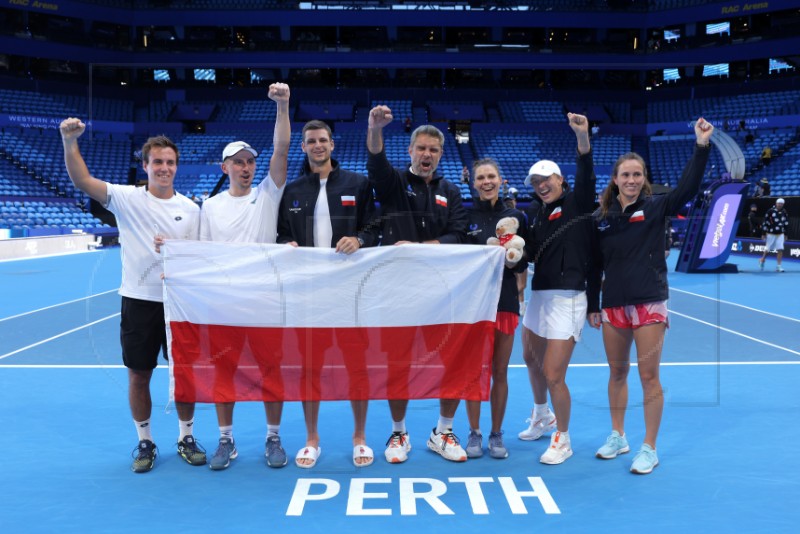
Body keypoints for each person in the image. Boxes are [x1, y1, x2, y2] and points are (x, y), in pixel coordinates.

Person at [60, 120, 204, 473]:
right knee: (139, 375)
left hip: (180, 302)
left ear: (177, 166)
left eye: (170, 162)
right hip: (139, 300)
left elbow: (202, 255)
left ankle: (186, 437)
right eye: (157, 162)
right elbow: (82, 181)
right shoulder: (125, 198)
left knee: (184, 374)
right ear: (145, 166)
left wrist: (180, 249)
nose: (164, 168)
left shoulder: (192, 209)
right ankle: (145, 441)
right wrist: (68, 141)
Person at [592, 117, 714, 474]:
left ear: (643, 178)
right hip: (613, 304)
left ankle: (649, 447)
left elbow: (688, 187)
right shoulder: (601, 218)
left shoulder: (658, 205)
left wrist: (701, 145)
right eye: (625, 175)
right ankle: (618, 436)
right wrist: (592, 305)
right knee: (616, 372)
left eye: (637, 174)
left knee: (648, 376)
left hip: (648, 303)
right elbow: (593, 266)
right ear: (615, 179)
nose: (631, 180)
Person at [366, 104, 468, 463]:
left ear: (441, 154)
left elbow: (459, 234)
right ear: (410, 151)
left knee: (451, 361)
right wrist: (375, 128)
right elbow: (376, 164)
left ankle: (443, 431)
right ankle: (398, 433)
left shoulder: (450, 191)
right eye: (421, 148)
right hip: (399, 292)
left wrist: (422, 248)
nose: (427, 155)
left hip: (443, 293)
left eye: (434, 150)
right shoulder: (394, 185)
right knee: (398, 364)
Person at [276, 120, 380, 468]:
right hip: (309, 296)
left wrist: (360, 239)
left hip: (351, 294)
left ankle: (360, 437)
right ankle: (311, 438)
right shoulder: (292, 190)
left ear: (332, 145)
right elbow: (279, 235)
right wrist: (286, 245)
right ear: (303, 147)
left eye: (322, 140)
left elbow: (375, 226)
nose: (317, 145)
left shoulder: (358, 184)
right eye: (310, 141)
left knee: (357, 367)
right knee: (309, 368)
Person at [198, 82, 291, 470]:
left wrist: (282, 106)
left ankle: (273, 438)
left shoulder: (268, 194)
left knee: (271, 372)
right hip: (225, 307)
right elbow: (200, 258)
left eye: (250, 160)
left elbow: (283, 149)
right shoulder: (210, 207)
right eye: (237, 161)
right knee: (225, 373)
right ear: (225, 168)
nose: (245, 166)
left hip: (266, 302)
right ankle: (226, 441)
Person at [518, 113, 599, 465]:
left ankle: (562, 437)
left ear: (560, 179)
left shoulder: (578, 203)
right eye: (535, 181)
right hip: (541, 294)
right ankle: (542, 415)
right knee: (530, 360)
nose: (540, 185)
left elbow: (587, 174)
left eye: (546, 179)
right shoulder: (536, 212)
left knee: (554, 374)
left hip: (569, 297)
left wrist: (583, 138)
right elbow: (530, 253)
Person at [463, 158, 527, 459]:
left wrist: (513, 261)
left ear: (501, 180)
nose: (486, 182)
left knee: (499, 371)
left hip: (504, 302)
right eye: (481, 178)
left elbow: (525, 261)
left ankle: (496, 433)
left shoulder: (515, 216)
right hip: (473, 306)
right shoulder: (464, 215)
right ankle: (474, 433)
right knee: (475, 371)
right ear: (474, 183)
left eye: (491, 177)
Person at [759, 197, 789, 272]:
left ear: (783, 204)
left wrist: (786, 234)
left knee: (780, 249)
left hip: (780, 233)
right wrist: (763, 233)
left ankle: (778, 266)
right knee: (767, 249)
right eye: (779, 203)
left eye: (781, 204)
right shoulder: (770, 211)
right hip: (770, 233)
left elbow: (786, 223)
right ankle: (762, 259)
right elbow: (765, 222)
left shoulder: (784, 212)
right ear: (776, 203)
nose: (780, 205)